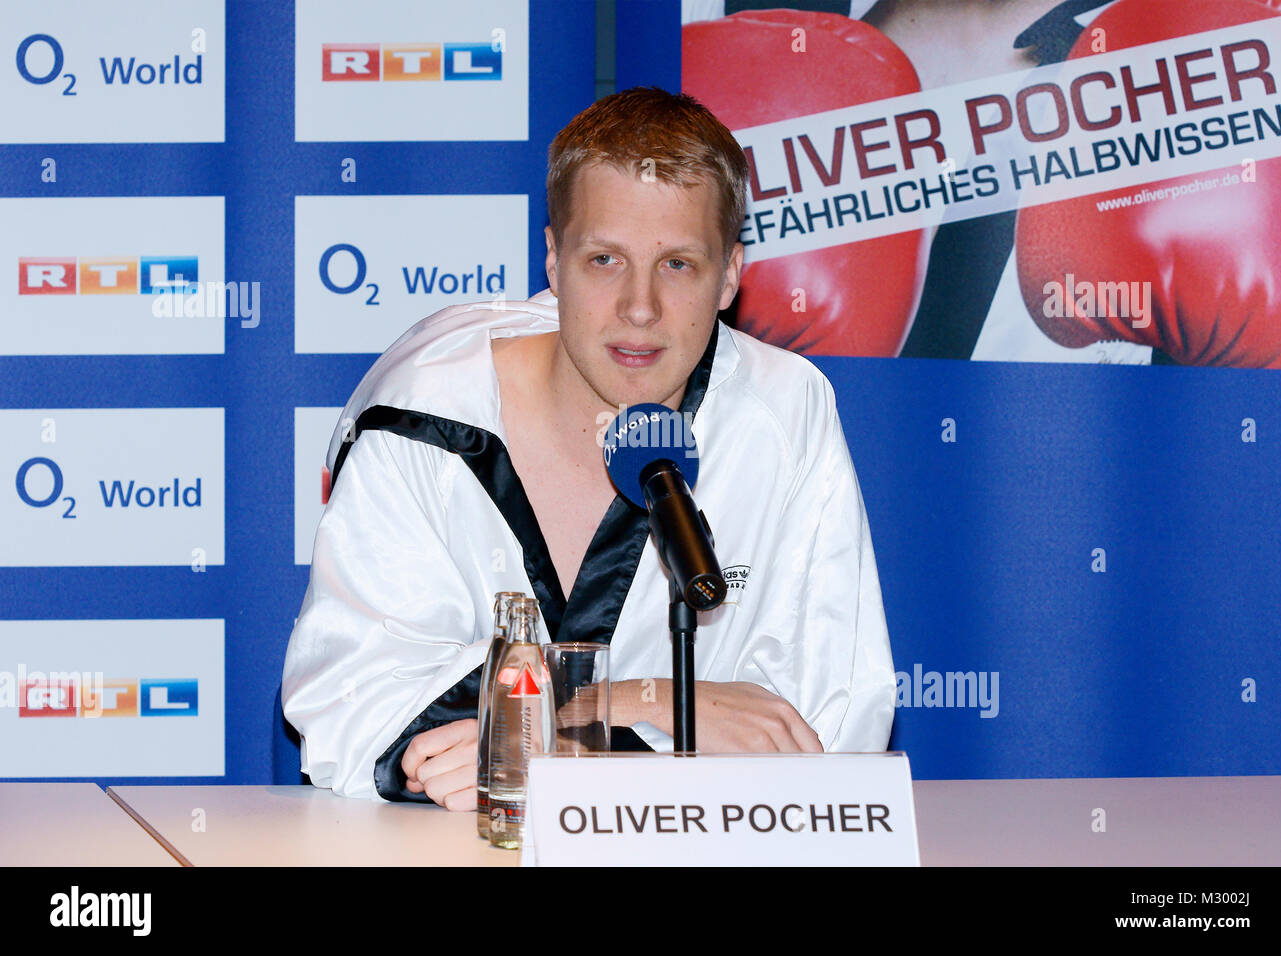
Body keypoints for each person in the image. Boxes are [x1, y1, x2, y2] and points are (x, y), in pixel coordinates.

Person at [281, 87, 896, 806]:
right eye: (605, 260)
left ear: (730, 274)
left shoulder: (786, 412)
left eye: (678, 265)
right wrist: (644, 707)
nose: (640, 308)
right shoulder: (426, 417)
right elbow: (354, 710)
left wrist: (553, 731)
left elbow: (825, 729)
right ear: (552, 257)